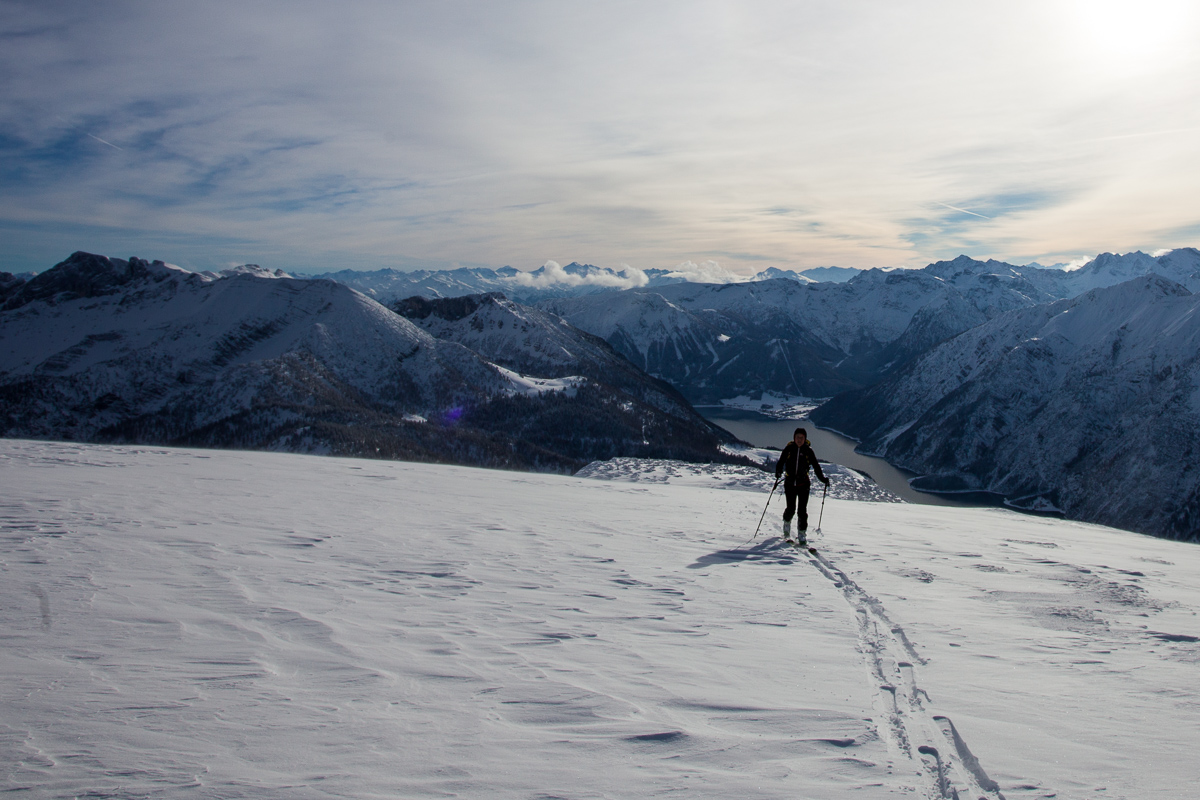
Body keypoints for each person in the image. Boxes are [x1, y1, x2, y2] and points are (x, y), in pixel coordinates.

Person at [774, 427, 829, 545]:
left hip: (804, 484)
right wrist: (778, 472)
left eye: (802, 438)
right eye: (797, 437)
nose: (799, 440)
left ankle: (802, 534)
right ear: (794, 438)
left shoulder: (809, 451)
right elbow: (781, 461)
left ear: (805, 439)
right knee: (791, 508)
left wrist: (823, 479)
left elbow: (816, 466)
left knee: (802, 511)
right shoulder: (789, 449)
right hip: (789, 483)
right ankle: (787, 525)